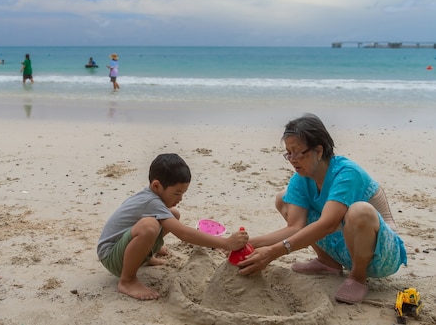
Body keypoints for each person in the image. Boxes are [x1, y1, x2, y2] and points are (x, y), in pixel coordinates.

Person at [238, 113, 407, 305]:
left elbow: (328, 224)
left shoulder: (346, 173)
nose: (292, 159)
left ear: (318, 151)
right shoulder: (301, 179)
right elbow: (295, 227)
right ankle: (328, 263)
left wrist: (273, 252)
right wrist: (251, 244)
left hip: (381, 254)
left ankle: (358, 277)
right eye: (288, 153)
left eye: (297, 152)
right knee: (283, 198)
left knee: (359, 210)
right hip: (344, 246)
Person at [97, 153, 249, 300]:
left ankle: (145, 253)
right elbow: (184, 233)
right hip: (111, 256)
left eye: (183, 193)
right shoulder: (151, 202)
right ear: (156, 186)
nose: (180, 198)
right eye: (177, 193)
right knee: (149, 226)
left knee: (173, 214)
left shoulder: (151, 197)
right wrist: (225, 243)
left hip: (122, 248)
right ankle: (127, 281)